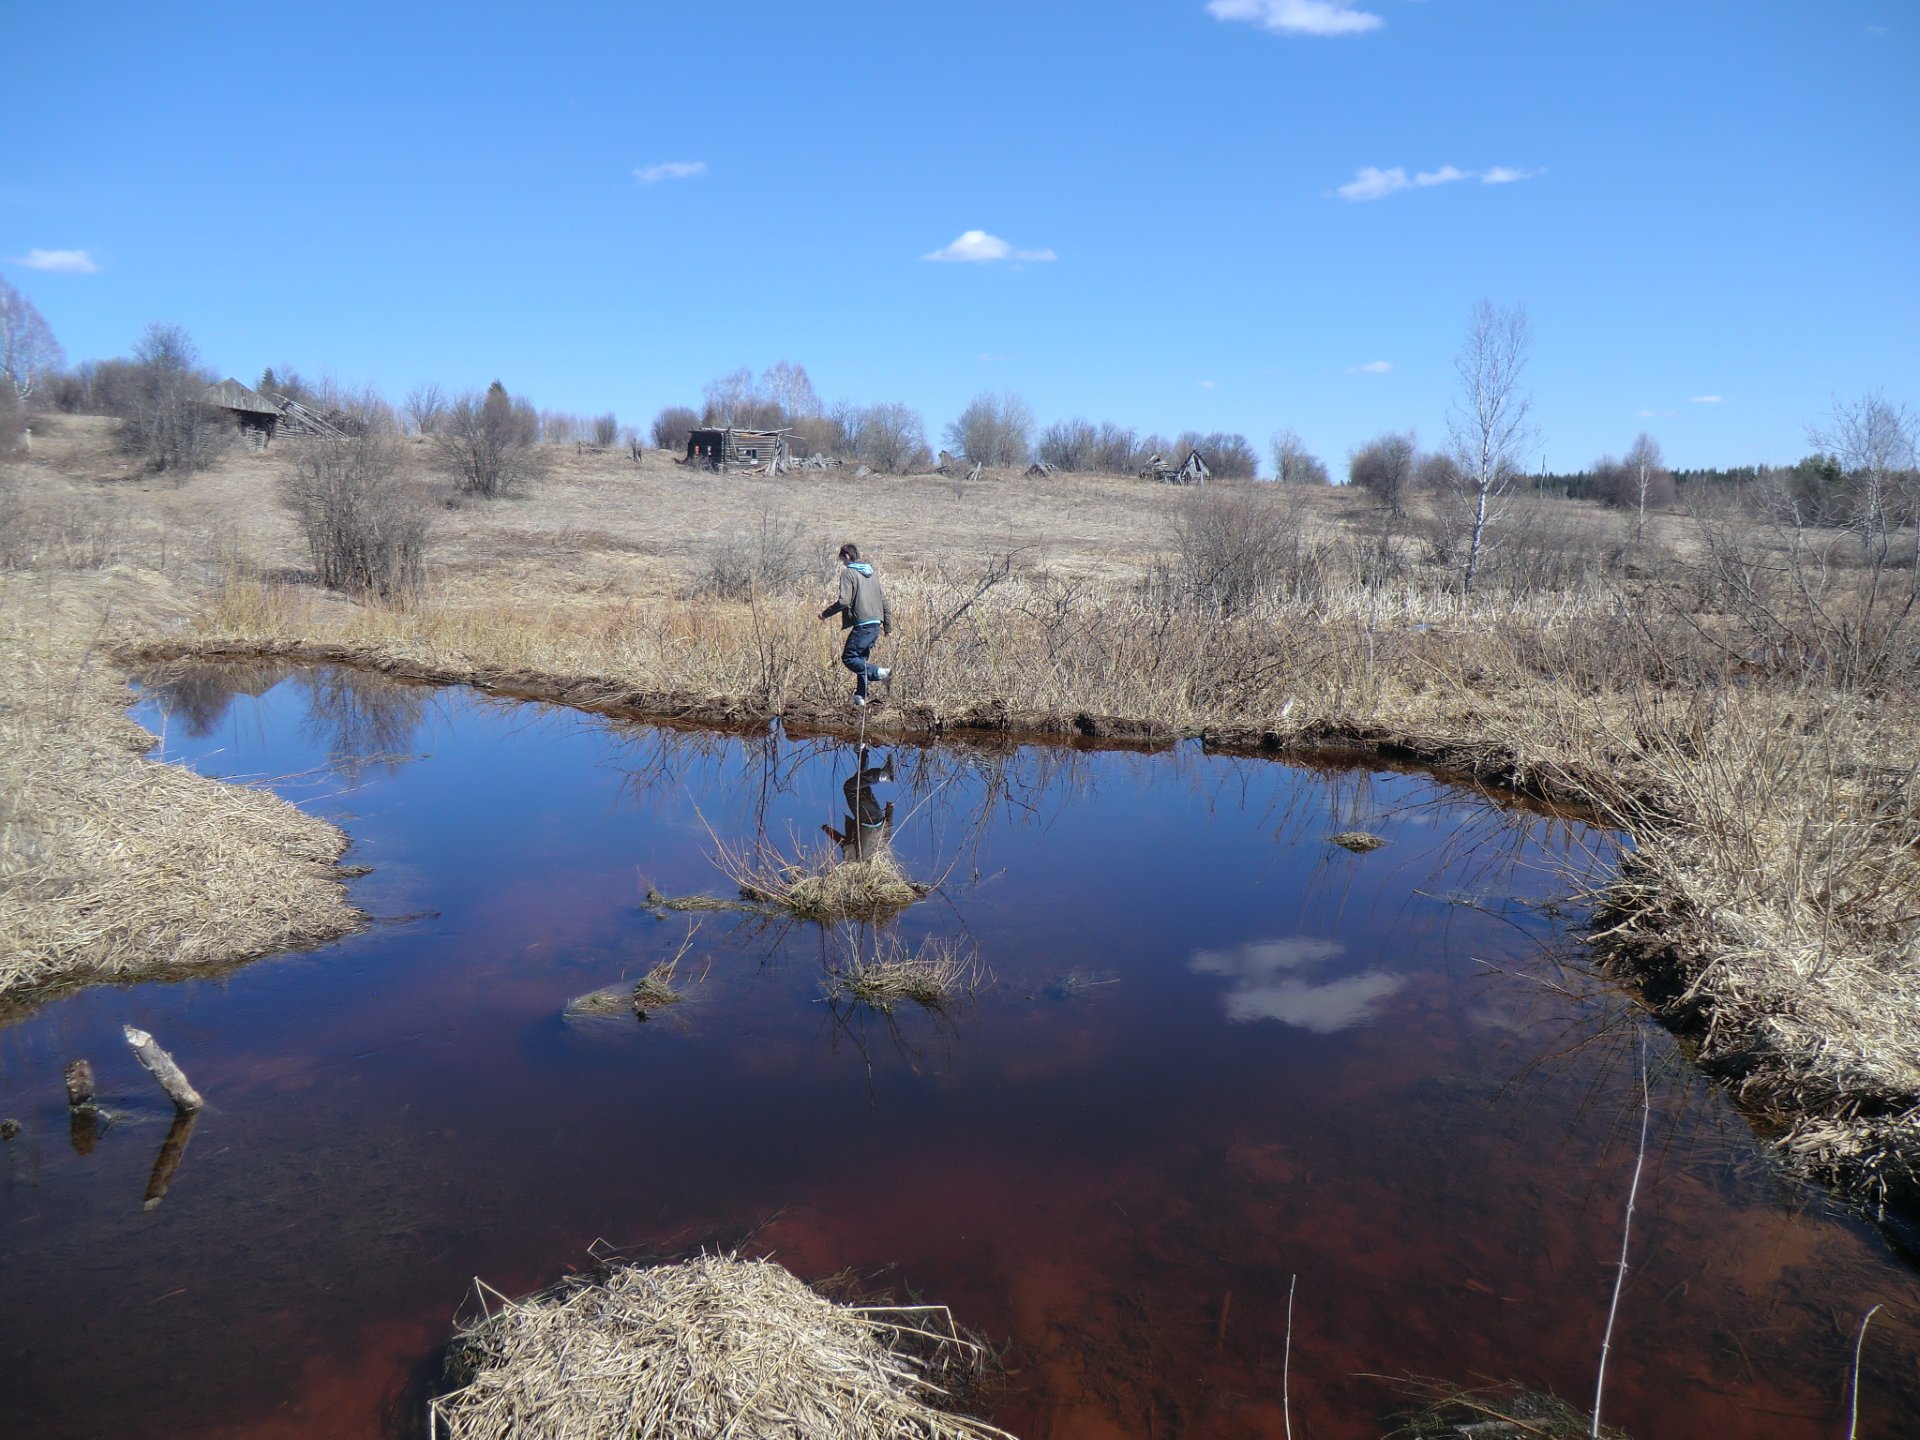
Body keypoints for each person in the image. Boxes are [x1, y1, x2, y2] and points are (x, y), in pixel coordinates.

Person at [819, 542, 892, 706]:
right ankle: (860, 698)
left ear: (846, 556)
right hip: (875, 625)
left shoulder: (849, 573)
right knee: (861, 661)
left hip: (863, 625)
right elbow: (884, 601)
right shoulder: (872, 575)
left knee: (849, 658)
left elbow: (844, 601)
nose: (842, 563)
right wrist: (888, 627)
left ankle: (881, 673)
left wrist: (825, 614)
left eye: (842, 560)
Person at [823, 745, 895, 860]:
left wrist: (890, 809)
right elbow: (843, 842)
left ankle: (862, 752)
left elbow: (888, 831)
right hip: (866, 817)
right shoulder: (857, 859)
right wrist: (827, 830)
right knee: (850, 788)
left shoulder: (878, 853)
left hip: (877, 814)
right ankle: (882, 775)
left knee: (860, 783)